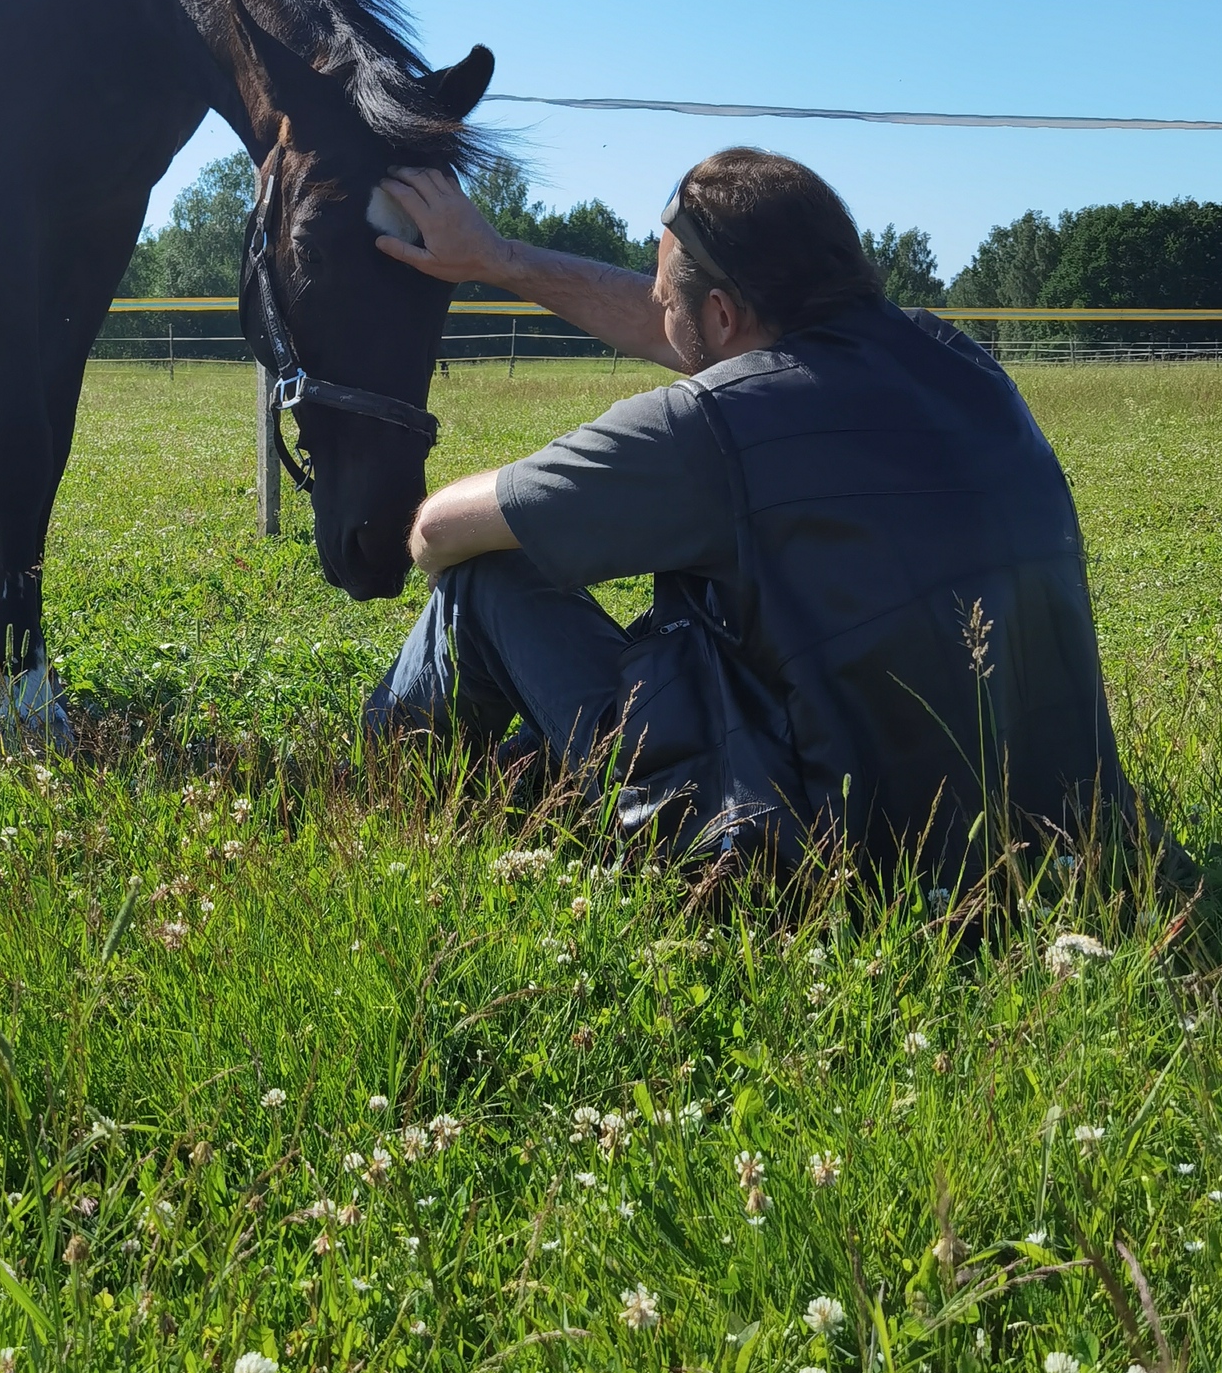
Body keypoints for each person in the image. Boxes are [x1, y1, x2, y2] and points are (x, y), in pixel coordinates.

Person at [364, 145, 1131, 876]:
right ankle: (520, 779)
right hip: (1053, 838)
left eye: (668, 298)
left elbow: (436, 534)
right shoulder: (965, 367)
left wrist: (424, 518)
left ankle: (373, 789)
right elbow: (682, 328)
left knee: (485, 577)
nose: (656, 314)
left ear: (725, 317)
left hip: (818, 861)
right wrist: (496, 259)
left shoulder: (714, 428)